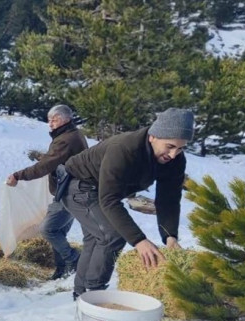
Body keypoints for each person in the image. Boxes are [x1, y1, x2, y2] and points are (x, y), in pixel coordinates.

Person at [61, 108, 193, 300]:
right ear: (153, 136)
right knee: (112, 236)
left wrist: (170, 236)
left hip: (102, 190)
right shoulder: (125, 148)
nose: (173, 154)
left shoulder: (175, 161)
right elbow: (109, 200)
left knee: (95, 239)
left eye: (181, 148)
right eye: (170, 146)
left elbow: (169, 200)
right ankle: (94, 295)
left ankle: (80, 295)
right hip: (79, 185)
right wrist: (139, 241)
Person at [6, 104, 87, 280]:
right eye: (49, 119)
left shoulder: (66, 140)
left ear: (66, 119)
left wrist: (19, 176)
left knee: (48, 229)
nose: (50, 123)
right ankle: (62, 269)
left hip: (69, 192)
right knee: (59, 232)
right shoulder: (71, 134)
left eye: (55, 119)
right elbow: (54, 160)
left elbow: (45, 166)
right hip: (73, 190)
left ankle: (75, 259)